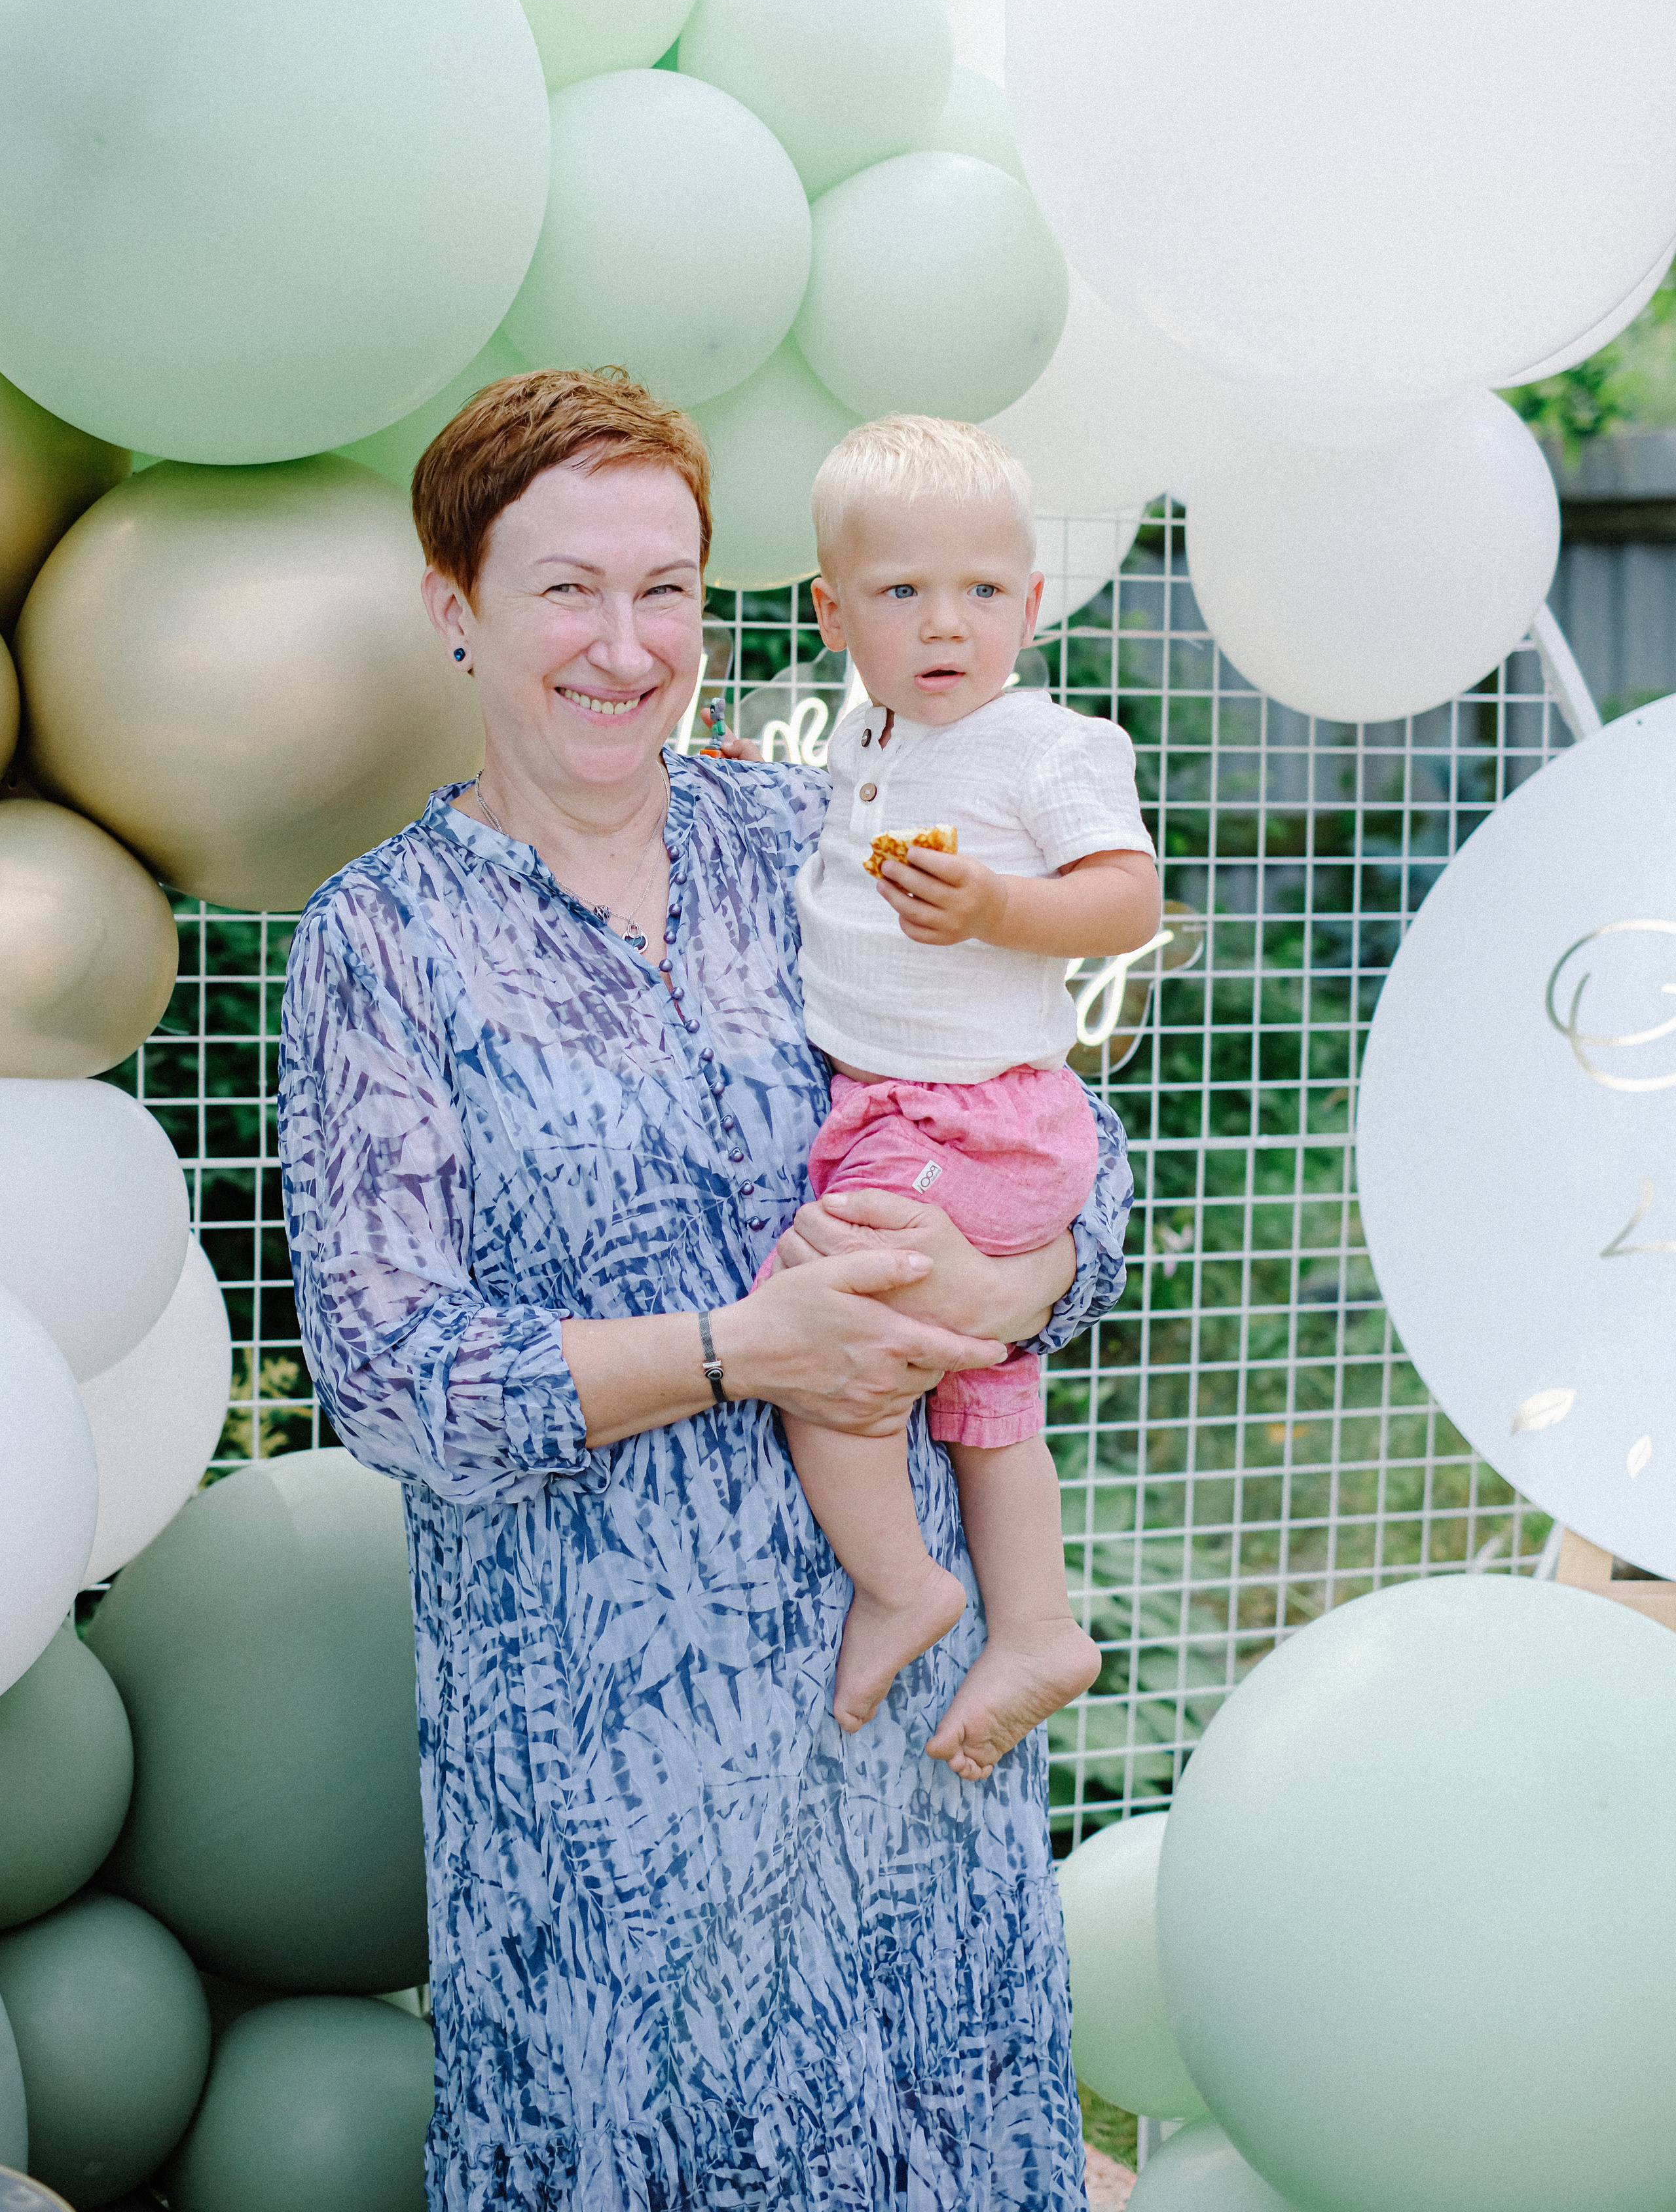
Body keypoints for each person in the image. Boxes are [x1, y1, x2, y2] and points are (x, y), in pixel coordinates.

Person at [278, 367, 1137, 2212]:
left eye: (665, 587)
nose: (625, 643)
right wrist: (752, 1350)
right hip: (612, 1781)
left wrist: (1014, 1275)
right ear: (455, 608)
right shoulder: (384, 940)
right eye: (566, 588)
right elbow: (388, 1372)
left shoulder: (815, 838)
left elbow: (1056, 1129)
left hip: (910, 1746)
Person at [765, 416, 1160, 1782]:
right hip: (915, 1111)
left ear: (1031, 603)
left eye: (982, 592)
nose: (947, 625)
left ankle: (899, 1583)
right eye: (901, 594)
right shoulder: (868, 738)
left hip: (975, 1119)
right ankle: (1035, 1628)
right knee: (988, 1401)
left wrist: (999, 905)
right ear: (832, 613)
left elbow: (1124, 900)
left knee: (829, 1342)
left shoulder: (1040, 743)